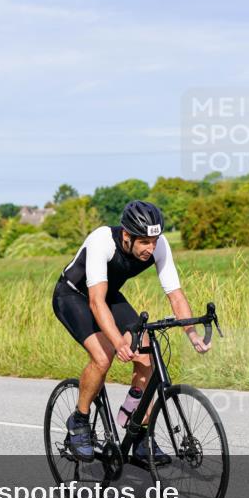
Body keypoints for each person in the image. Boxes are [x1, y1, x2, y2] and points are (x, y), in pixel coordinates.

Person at [51, 200, 211, 466]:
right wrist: (117, 342)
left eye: (155, 240)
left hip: (109, 295)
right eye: (144, 242)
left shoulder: (159, 246)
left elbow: (176, 296)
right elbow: (95, 302)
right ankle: (79, 419)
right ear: (127, 236)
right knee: (104, 356)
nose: (151, 248)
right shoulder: (102, 240)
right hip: (73, 295)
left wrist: (192, 335)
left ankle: (137, 433)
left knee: (147, 354)